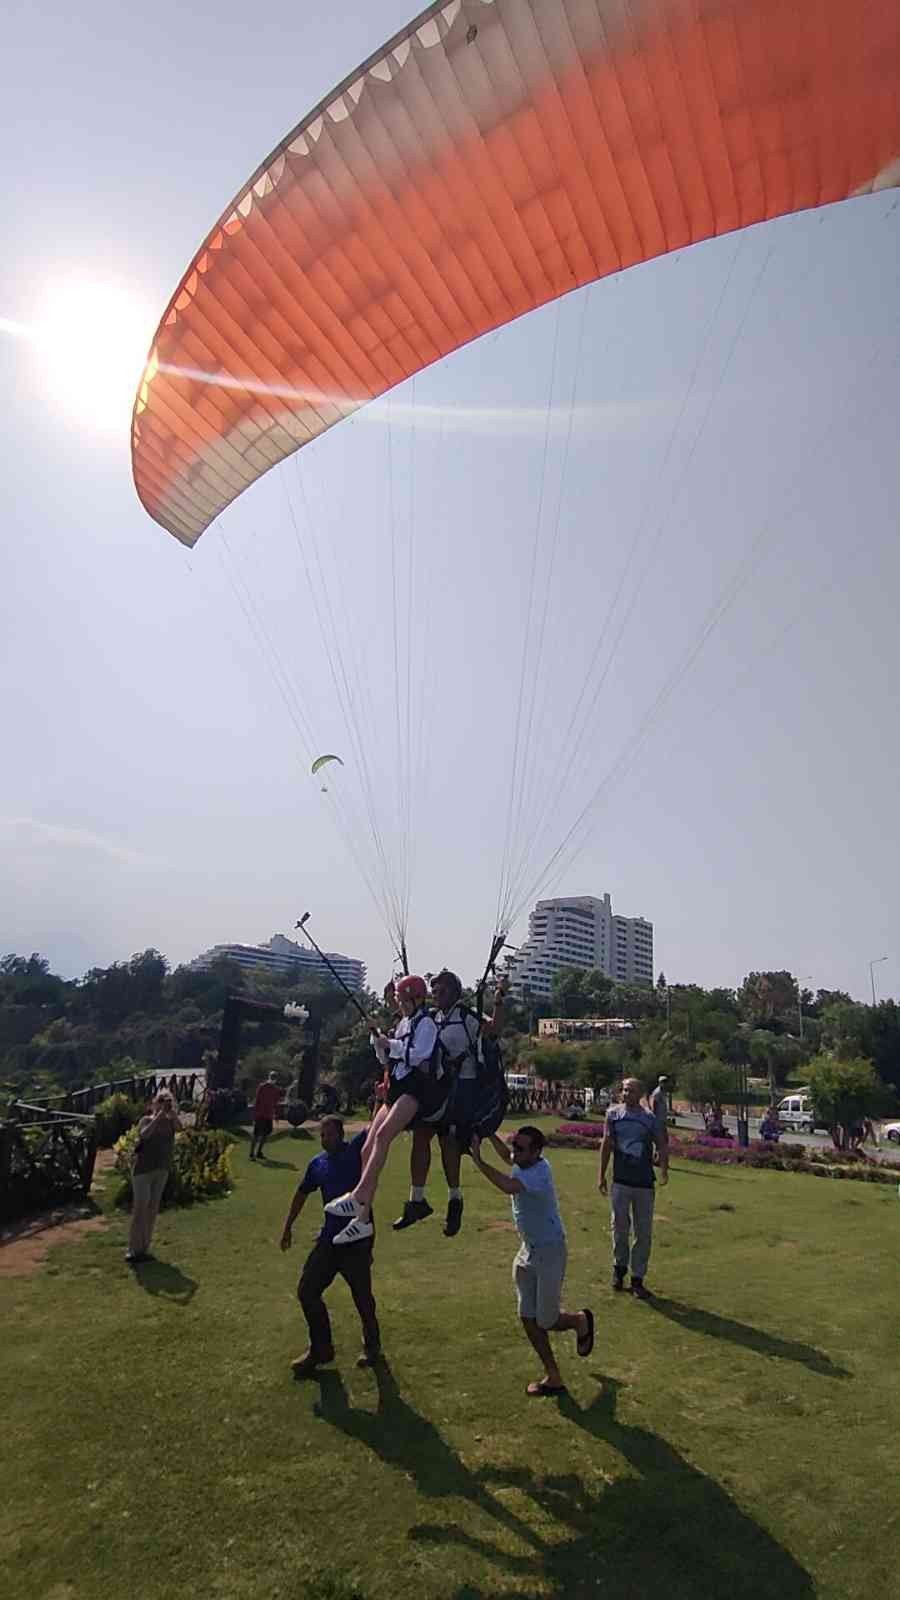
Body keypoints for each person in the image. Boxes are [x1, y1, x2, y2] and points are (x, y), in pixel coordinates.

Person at [469, 1125, 594, 1395]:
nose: (515, 1152)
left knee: (546, 1320)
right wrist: (489, 1133)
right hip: (528, 1250)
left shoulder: (539, 1173)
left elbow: (507, 1185)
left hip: (550, 1250)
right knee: (528, 1317)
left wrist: (478, 1159)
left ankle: (579, 1321)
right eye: (515, 1145)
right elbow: (507, 1158)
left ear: (537, 1152)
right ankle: (553, 1376)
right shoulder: (525, 1161)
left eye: (521, 1148)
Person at [325, 975, 447, 1245]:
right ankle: (363, 1220)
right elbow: (388, 1056)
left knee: (383, 1138)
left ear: (416, 999)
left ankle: (357, 1198)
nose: (400, 1005)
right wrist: (377, 1040)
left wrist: (389, 1044)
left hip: (416, 1090)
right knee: (368, 1146)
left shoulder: (426, 1023)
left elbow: (418, 1054)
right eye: (398, 1001)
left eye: (403, 1001)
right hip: (396, 1087)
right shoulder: (403, 1023)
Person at [393, 969, 506, 1239]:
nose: (436, 996)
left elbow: (494, 1029)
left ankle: (455, 1200)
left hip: (462, 1088)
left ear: (455, 992)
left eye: (441, 991)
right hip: (435, 1086)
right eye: (433, 991)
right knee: (421, 1135)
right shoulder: (430, 1018)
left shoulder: (465, 1016)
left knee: (449, 1142)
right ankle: (416, 1200)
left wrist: (499, 998)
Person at [280, 1116, 381, 1376]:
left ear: (341, 1134)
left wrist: (383, 1098)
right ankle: (321, 1349)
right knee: (307, 1291)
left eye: (330, 1134)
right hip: (329, 1240)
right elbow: (302, 1193)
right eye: (322, 1135)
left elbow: (377, 1125)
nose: (326, 1139)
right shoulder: (317, 1164)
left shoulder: (355, 1152)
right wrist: (288, 1225)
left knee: (362, 1296)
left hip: (356, 1238)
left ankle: (372, 1347)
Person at [599, 1076, 668, 1299]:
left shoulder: (649, 1119)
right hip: (620, 1181)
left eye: (631, 1090)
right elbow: (606, 1144)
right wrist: (601, 1175)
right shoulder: (613, 1115)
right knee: (619, 1228)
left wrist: (664, 1169)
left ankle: (638, 1278)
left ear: (640, 1095)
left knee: (643, 1232)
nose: (626, 1093)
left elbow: (661, 1143)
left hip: (644, 1184)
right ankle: (619, 1270)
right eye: (624, 1090)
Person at [126, 1089, 181, 1264]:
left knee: (152, 1209)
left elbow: (180, 1129)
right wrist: (157, 1116)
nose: (164, 1104)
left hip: (161, 1168)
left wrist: (171, 1114)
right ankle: (133, 1249)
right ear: (154, 1103)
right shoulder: (146, 1120)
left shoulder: (171, 1122)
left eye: (168, 1101)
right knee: (140, 1207)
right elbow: (144, 1135)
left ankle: (144, 1248)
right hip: (143, 1169)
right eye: (161, 1101)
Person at [250, 1071, 281, 1160]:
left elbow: (275, 1103)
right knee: (256, 1134)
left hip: (268, 1115)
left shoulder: (275, 1089)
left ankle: (259, 1152)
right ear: (269, 1077)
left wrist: (276, 1115)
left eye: (275, 1077)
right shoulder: (262, 1087)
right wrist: (255, 1114)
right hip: (260, 1114)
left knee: (266, 1134)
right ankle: (252, 1153)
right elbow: (257, 1100)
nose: (273, 1079)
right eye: (272, 1076)